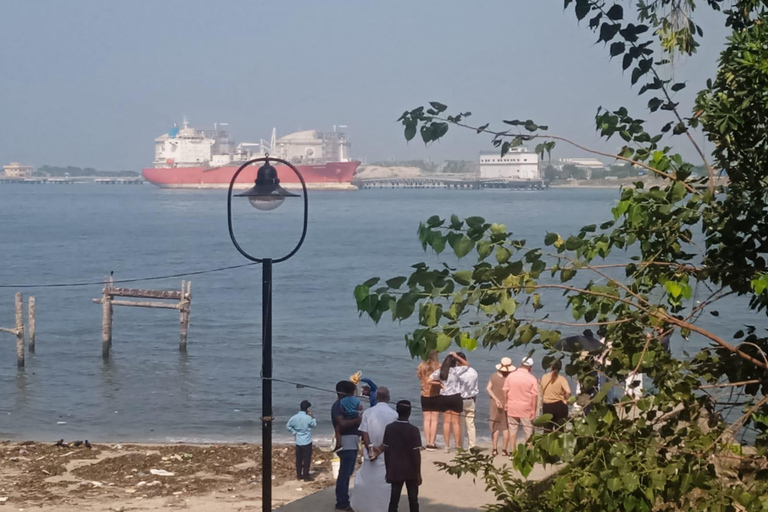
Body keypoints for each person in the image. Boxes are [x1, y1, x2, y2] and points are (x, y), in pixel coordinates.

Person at [350, 387, 398, 512]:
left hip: (370, 454)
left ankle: (363, 507)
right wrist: (381, 449)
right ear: (388, 398)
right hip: (386, 454)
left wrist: (371, 448)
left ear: (376, 398)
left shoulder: (368, 412)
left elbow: (364, 433)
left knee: (366, 481)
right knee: (384, 485)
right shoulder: (394, 414)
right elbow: (392, 436)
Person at [381, 400, 422, 512]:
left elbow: (387, 452)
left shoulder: (389, 428)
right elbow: (416, 454)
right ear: (410, 412)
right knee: (413, 499)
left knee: (394, 499)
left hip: (395, 469)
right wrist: (418, 473)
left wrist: (388, 471)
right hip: (411, 470)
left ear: (397, 411)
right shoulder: (414, 430)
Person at [430, 352, 470, 453]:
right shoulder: (456, 370)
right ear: (454, 362)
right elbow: (467, 365)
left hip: (444, 396)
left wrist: (439, 384)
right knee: (456, 422)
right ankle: (457, 445)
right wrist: (457, 357)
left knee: (446, 422)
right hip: (455, 396)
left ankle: (447, 446)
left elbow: (428, 380)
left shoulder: (441, 371)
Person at [332, 380, 362, 511]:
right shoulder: (338, 405)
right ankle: (342, 502)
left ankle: (343, 499)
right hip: (345, 440)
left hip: (353, 439)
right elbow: (342, 423)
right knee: (345, 472)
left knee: (348, 471)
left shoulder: (349, 404)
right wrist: (357, 420)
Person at [503, 357, 539, 453]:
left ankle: (512, 452)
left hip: (512, 406)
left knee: (512, 430)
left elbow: (505, 390)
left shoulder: (511, 376)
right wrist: (533, 410)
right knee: (528, 431)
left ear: (521, 364)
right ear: (530, 367)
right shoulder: (532, 378)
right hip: (526, 407)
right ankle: (529, 452)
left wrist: (506, 403)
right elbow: (534, 396)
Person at [486, 357, 515, 456]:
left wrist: (496, 399)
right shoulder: (510, 378)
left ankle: (494, 449)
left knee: (495, 426)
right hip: (507, 403)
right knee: (505, 426)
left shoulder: (494, 376)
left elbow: (488, 388)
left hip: (495, 403)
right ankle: (504, 449)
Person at [286, 400, 317, 480]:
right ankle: (306, 476)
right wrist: (312, 416)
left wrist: (294, 432)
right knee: (306, 459)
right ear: (307, 409)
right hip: (307, 440)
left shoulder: (294, 417)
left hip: (298, 440)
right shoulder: (308, 418)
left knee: (299, 459)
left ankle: (299, 475)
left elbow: (288, 425)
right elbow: (314, 425)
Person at [416, 350, 441, 451]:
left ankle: (427, 442)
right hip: (436, 394)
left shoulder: (421, 366)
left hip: (424, 394)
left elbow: (419, 377)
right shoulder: (439, 366)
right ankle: (432, 442)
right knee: (434, 419)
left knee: (426, 419)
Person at [540, 360, 571, 433]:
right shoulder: (562, 379)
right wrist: (566, 400)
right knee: (560, 430)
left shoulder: (544, 377)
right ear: (560, 368)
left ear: (551, 366)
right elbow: (568, 392)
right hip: (559, 406)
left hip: (547, 406)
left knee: (547, 430)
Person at [456, 351, 478, 449]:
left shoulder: (457, 372)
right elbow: (475, 388)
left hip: (460, 399)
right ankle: (472, 445)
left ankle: (460, 445)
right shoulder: (473, 371)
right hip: (471, 399)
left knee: (460, 424)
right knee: (471, 424)